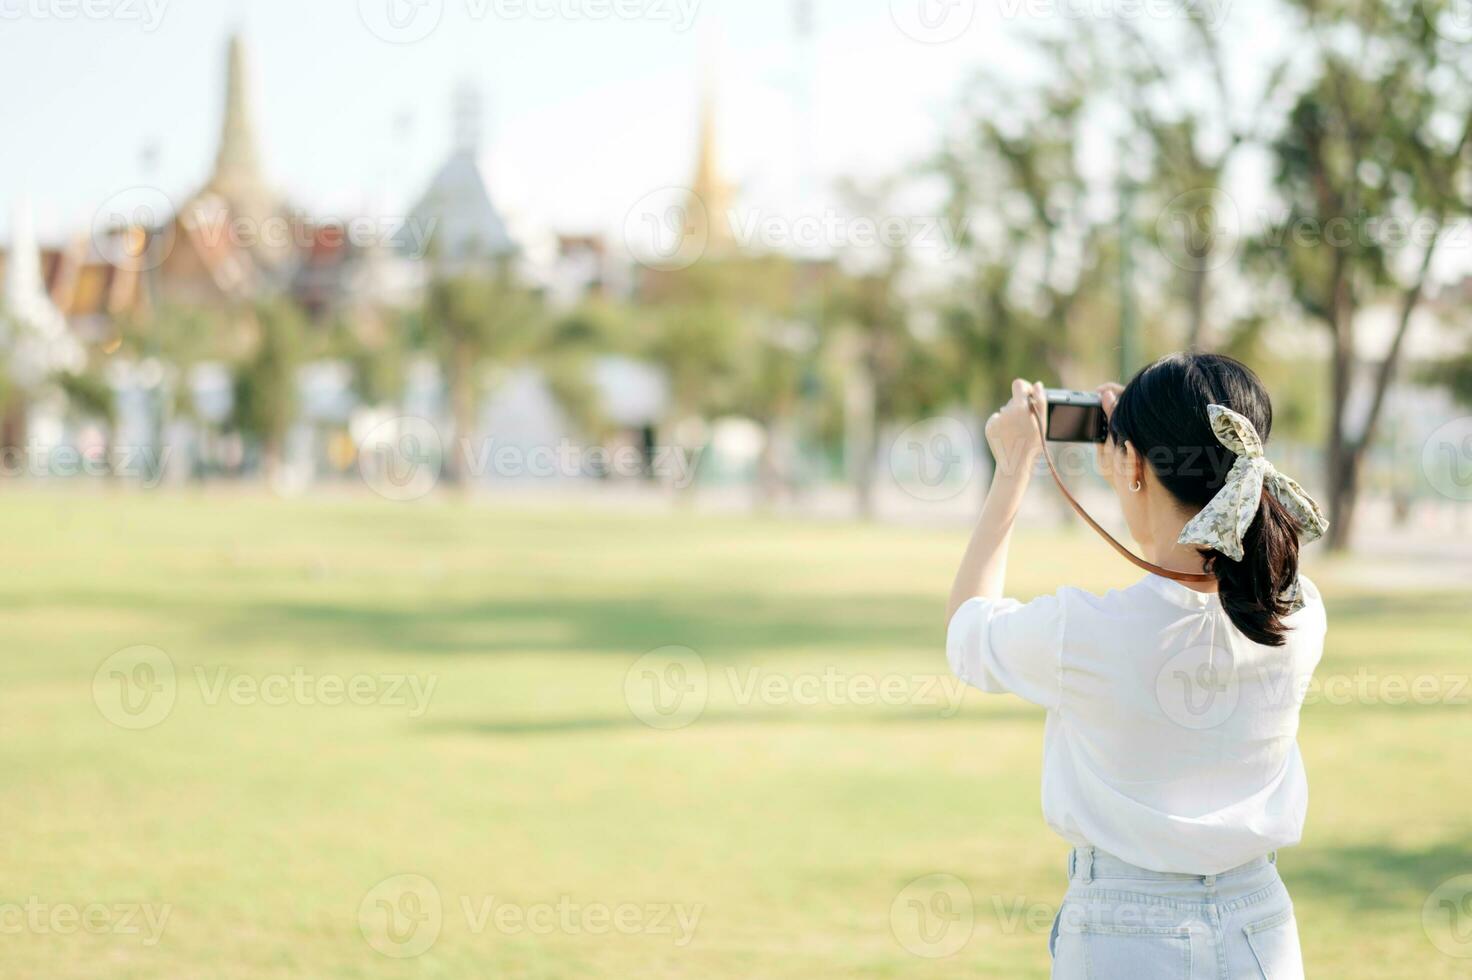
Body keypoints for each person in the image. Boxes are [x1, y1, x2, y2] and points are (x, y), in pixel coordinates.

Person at [946, 353, 1328, 979]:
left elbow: (967, 632)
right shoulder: (1300, 614)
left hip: (1124, 934)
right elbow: (1203, 552)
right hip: (1261, 927)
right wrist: (1141, 460)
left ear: (1132, 465)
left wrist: (1014, 469)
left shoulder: (1087, 633)